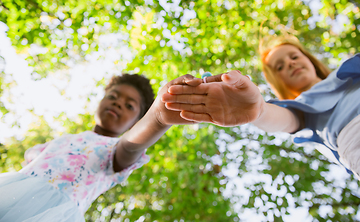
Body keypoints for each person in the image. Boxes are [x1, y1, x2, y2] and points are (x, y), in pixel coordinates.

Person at [0, 73, 202, 222]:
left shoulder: (114, 150)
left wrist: (158, 118)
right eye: (113, 97)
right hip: (13, 193)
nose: (118, 104)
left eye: (129, 105)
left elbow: (130, 147)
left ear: (136, 123)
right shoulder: (67, 138)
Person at [161, 35, 360, 180]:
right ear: (277, 81)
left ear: (309, 58)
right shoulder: (301, 109)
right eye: (280, 67)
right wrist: (258, 111)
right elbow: (282, 118)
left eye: (293, 56)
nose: (290, 64)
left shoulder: (351, 70)